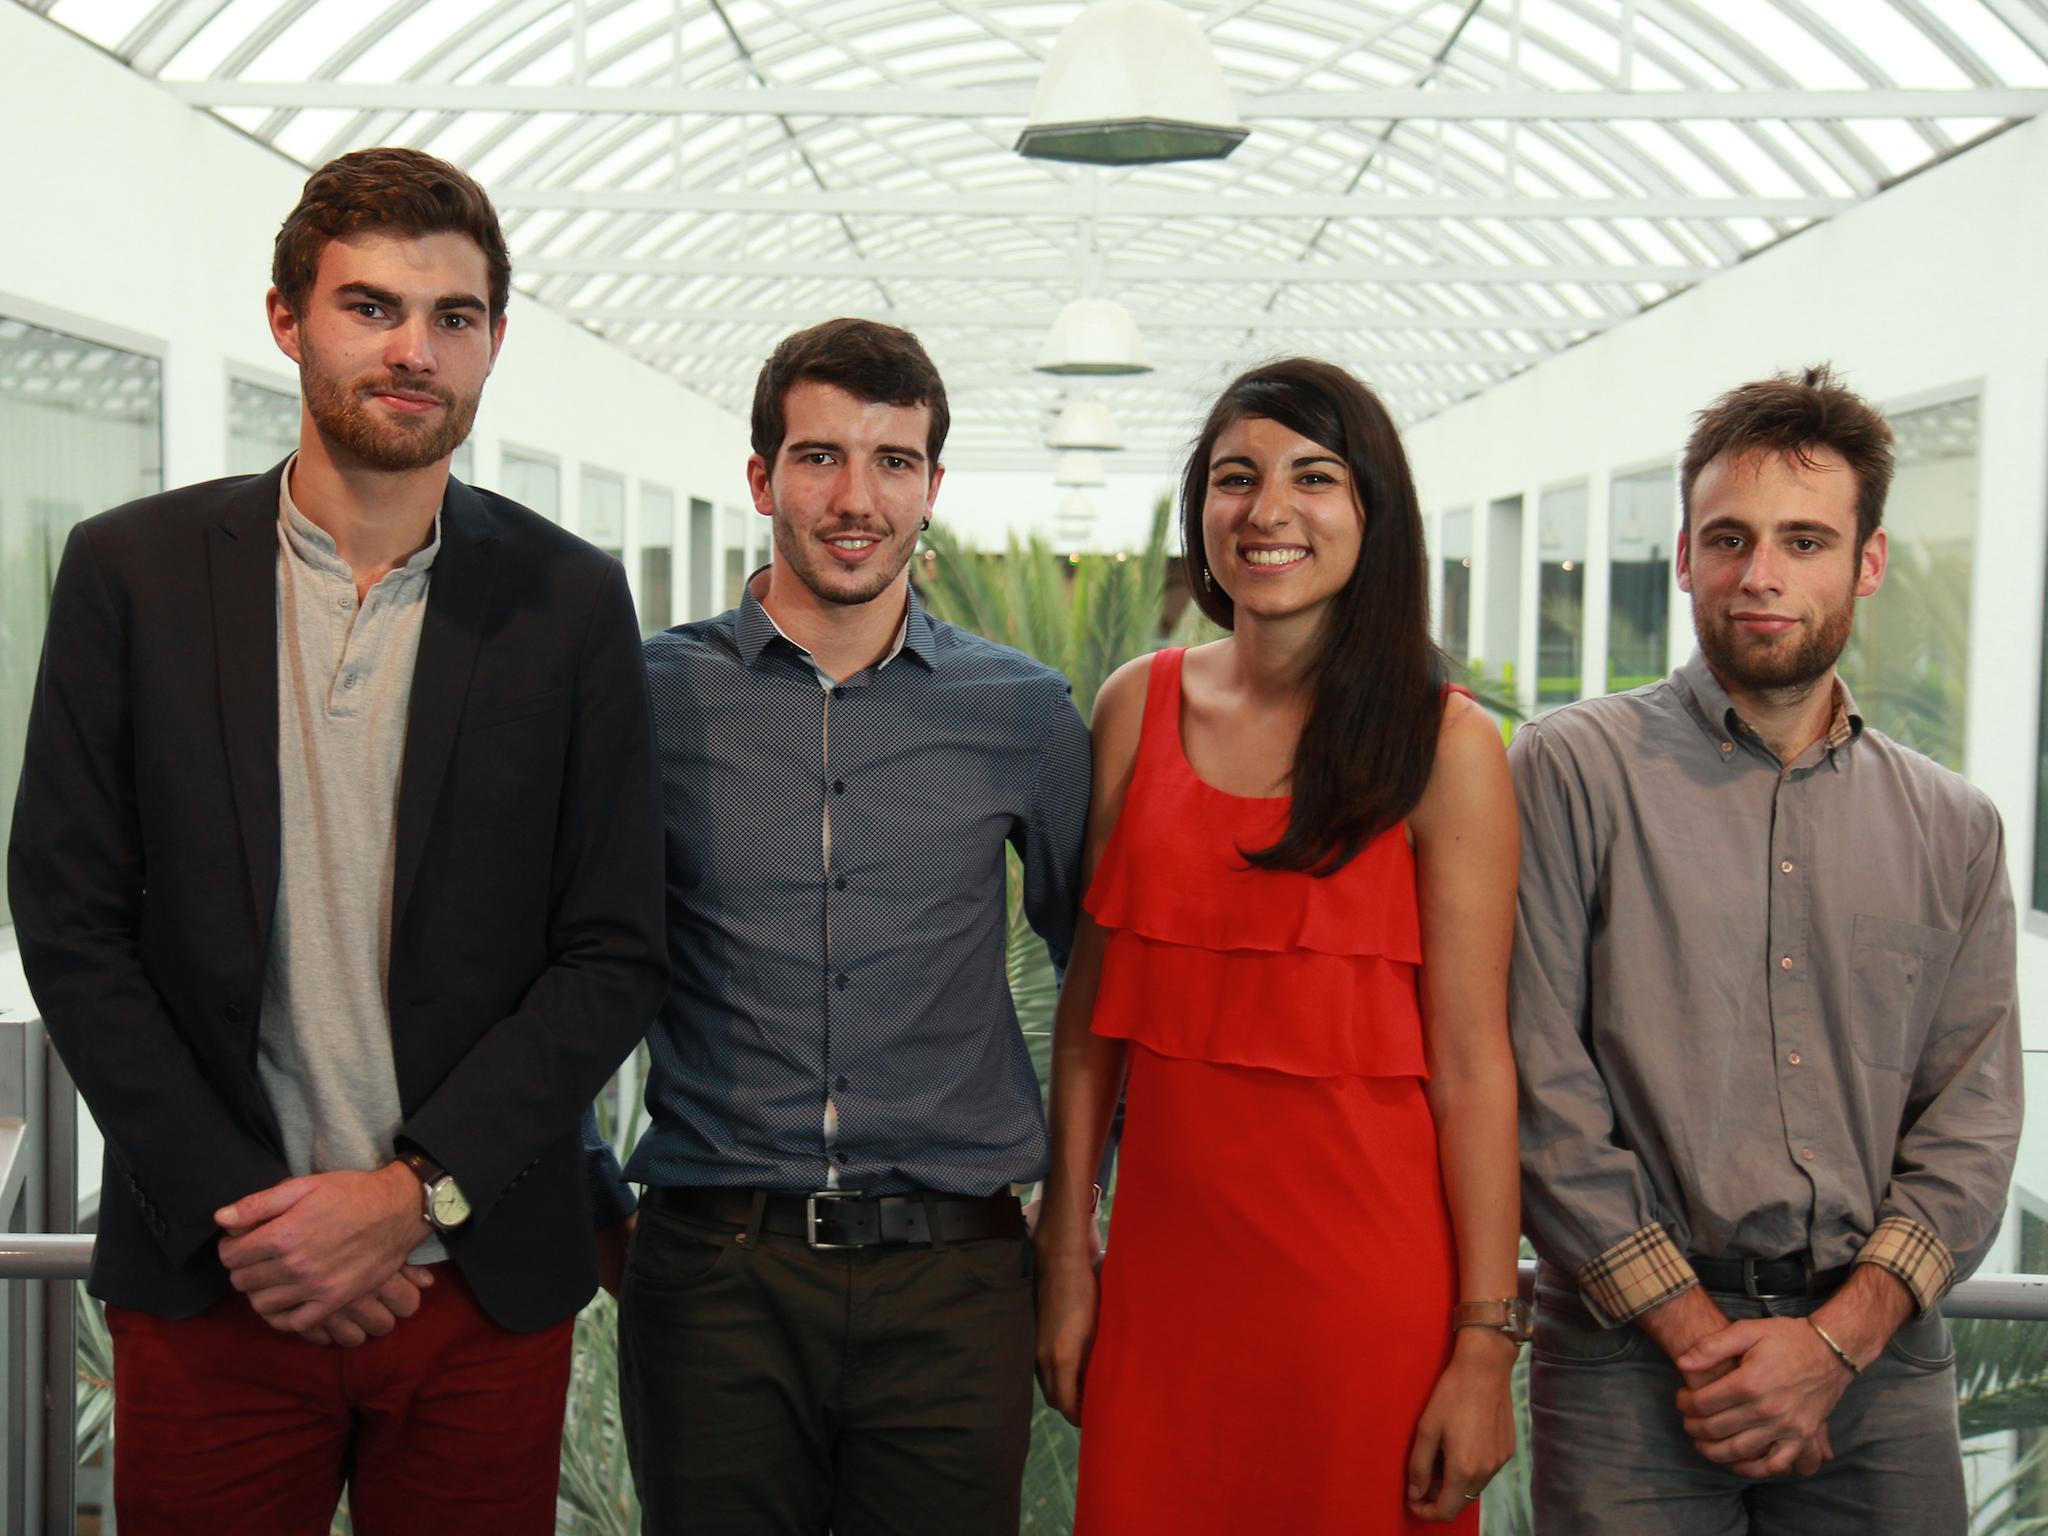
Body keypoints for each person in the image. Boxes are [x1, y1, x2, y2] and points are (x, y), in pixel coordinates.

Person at [7, 147, 667, 1534]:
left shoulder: (571, 599)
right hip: (219, 1271)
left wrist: (408, 1196)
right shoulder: (133, 572)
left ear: (494, 341)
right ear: (285, 319)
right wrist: (264, 1219)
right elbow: (69, 918)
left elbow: (613, 949)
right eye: (372, 308)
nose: (414, 349)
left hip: (473, 1283)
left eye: (455, 317)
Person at [580, 316, 1092, 1536]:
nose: (855, 497)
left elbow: (1109, 980)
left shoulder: (1022, 713)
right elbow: (554, 958)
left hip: (955, 1283)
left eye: (893, 461)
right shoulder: (643, 695)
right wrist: (596, 1201)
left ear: (932, 487)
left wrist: (1075, 1222)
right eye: (818, 458)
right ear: (760, 478)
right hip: (713, 1274)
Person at [1511, 364, 2021, 1534]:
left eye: (1803, 540)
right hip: (1624, 1367)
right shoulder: (1568, 771)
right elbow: (1537, 1078)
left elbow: (1974, 1118)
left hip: (1875, 1370)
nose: (1761, 576)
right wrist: (1696, 1337)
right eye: (1728, 538)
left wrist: (1836, 1343)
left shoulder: (1952, 825)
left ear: (1867, 563)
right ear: (1683, 556)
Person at [1034, 357, 1523, 1532]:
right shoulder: (1130, 708)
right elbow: (1091, 1027)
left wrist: (1483, 1343)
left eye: (1313, 476)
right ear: (1199, 509)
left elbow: (1471, 1070)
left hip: (1368, 1309)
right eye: (1233, 477)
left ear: (1372, 513)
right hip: (1164, 1299)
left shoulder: (1444, 746)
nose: (1267, 511)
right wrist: (1064, 1255)